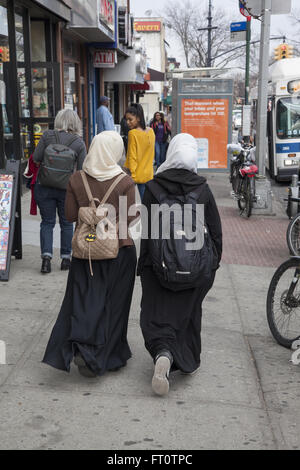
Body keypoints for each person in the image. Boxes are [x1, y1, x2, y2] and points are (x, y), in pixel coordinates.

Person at [42, 131, 138, 378]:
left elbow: (71, 215)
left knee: (85, 301)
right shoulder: (125, 182)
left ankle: (84, 349)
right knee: (115, 306)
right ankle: (110, 355)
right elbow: (131, 220)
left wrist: (91, 214)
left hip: (86, 251)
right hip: (120, 251)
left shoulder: (76, 178)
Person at [138, 133, 222, 396]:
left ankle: (162, 353)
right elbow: (216, 233)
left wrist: (145, 267)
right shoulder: (202, 189)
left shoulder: (153, 188)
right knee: (188, 316)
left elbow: (147, 233)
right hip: (194, 270)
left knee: (158, 315)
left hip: (159, 268)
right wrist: (211, 265)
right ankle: (185, 360)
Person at [33, 109, 87, 274]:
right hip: (67, 190)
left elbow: (36, 158)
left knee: (47, 222)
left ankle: (46, 260)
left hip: (44, 186)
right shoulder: (79, 143)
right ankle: (65, 259)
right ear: (75, 123)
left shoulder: (47, 136)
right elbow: (82, 170)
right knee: (66, 223)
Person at [124, 103, 155, 200]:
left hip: (136, 175)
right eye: (126, 120)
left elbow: (132, 157)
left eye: (130, 119)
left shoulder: (132, 133)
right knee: (146, 202)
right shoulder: (151, 131)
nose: (128, 122)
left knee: (132, 204)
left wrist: (131, 176)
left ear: (138, 118)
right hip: (149, 174)